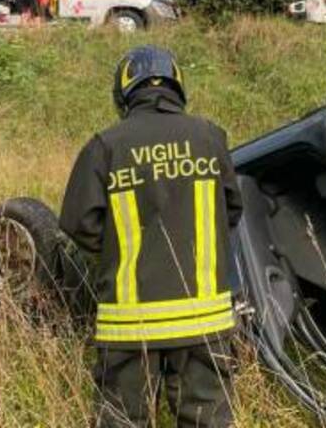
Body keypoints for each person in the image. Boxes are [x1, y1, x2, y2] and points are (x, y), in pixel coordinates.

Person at [59, 46, 243, 428]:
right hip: (204, 317)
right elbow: (233, 210)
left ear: (124, 91)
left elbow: (77, 223)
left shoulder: (105, 146)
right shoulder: (210, 138)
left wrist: (122, 251)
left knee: (122, 420)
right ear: (177, 85)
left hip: (130, 321)